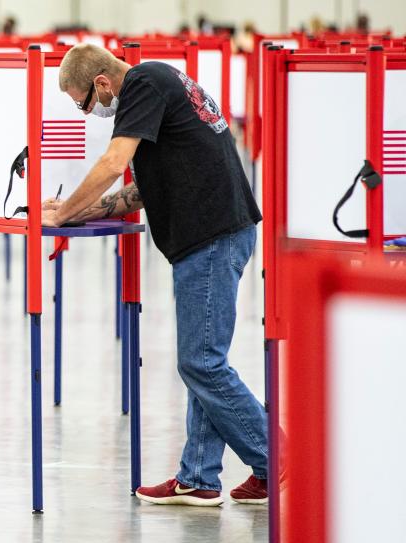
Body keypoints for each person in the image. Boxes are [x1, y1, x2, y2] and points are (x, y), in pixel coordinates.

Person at [42, 44, 268, 507]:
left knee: (200, 363)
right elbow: (143, 190)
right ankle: (200, 476)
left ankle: (278, 456)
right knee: (204, 360)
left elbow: (109, 165)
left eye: (83, 103)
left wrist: (64, 212)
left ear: (102, 83)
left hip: (211, 236)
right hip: (216, 232)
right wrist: (81, 213)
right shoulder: (162, 83)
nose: (88, 112)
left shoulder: (142, 84)